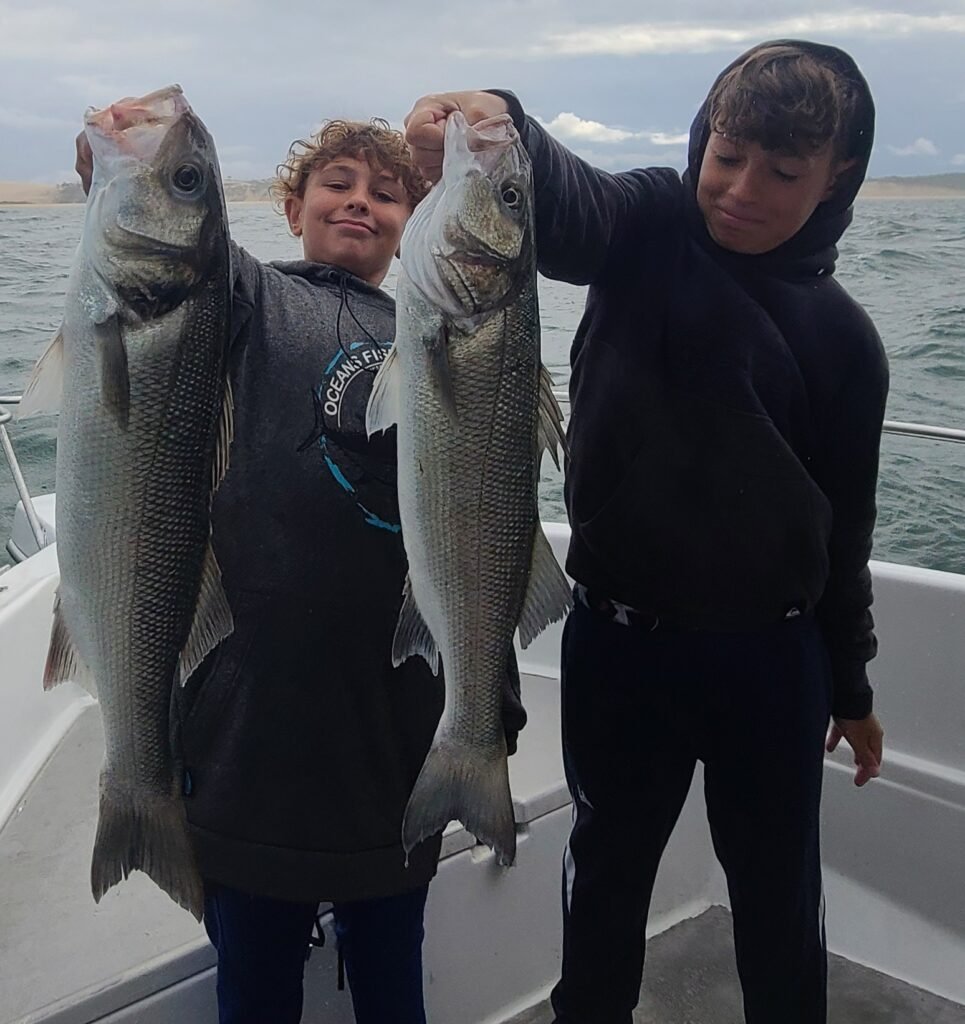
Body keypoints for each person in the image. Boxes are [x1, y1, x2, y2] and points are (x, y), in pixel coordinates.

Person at [403, 39, 887, 1024]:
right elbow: (573, 207)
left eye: (782, 172)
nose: (740, 189)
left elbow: (846, 536)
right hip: (621, 644)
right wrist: (502, 123)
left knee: (777, 899)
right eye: (724, 155)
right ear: (701, 139)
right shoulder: (650, 225)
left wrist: (851, 684)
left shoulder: (844, 340)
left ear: (835, 175)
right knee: (607, 873)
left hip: (772, 659)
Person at [76, 114, 526, 1024]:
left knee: (393, 954)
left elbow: (476, 511)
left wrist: (494, 700)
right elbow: (171, 255)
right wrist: (109, 169)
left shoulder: (434, 324)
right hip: (251, 721)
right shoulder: (244, 301)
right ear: (291, 209)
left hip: (391, 720)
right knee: (255, 966)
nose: (361, 201)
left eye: (388, 193)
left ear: (416, 218)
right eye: (338, 184)